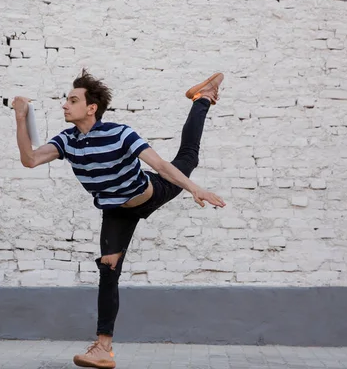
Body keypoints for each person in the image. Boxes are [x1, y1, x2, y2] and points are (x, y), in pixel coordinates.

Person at [12, 71, 226, 369]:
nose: (64, 105)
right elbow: (30, 159)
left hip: (151, 192)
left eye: (73, 100)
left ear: (91, 108)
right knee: (108, 270)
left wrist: (195, 189)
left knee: (187, 158)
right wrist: (20, 117)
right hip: (115, 211)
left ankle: (202, 98)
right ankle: (102, 349)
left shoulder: (120, 133)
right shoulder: (67, 141)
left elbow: (161, 166)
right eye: (66, 100)